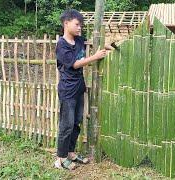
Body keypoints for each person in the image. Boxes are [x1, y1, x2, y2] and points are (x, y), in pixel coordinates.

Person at [55, 9, 108, 170]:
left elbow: (93, 43)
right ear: (66, 23)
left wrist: (107, 46)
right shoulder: (61, 45)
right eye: (77, 24)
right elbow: (75, 64)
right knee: (66, 125)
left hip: (78, 88)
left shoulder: (79, 40)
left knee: (77, 122)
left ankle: (70, 153)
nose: (80, 28)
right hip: (67, 90)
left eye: (81, 25)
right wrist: (95, 57)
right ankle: (60, 158)